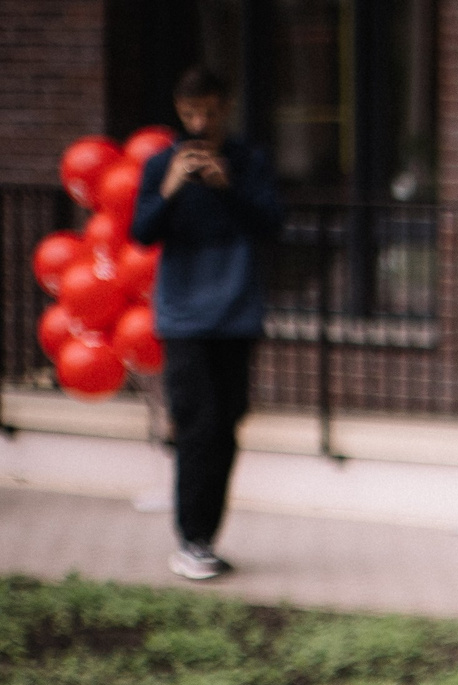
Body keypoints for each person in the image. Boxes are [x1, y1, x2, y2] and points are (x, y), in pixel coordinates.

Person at [129, 65, 284, 584]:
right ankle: (191, 540)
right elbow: (141, 233)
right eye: (191, 113)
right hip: (185, 318)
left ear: (225, 108)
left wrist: (227, 188)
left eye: (210, 113)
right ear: (179, 111)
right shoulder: (158, 166)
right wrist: (170, 187)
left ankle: (206, 540)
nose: (200, 123)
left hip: (236, 314)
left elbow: (272, 225)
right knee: (197, 425)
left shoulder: (248, 161)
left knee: (227, 424)